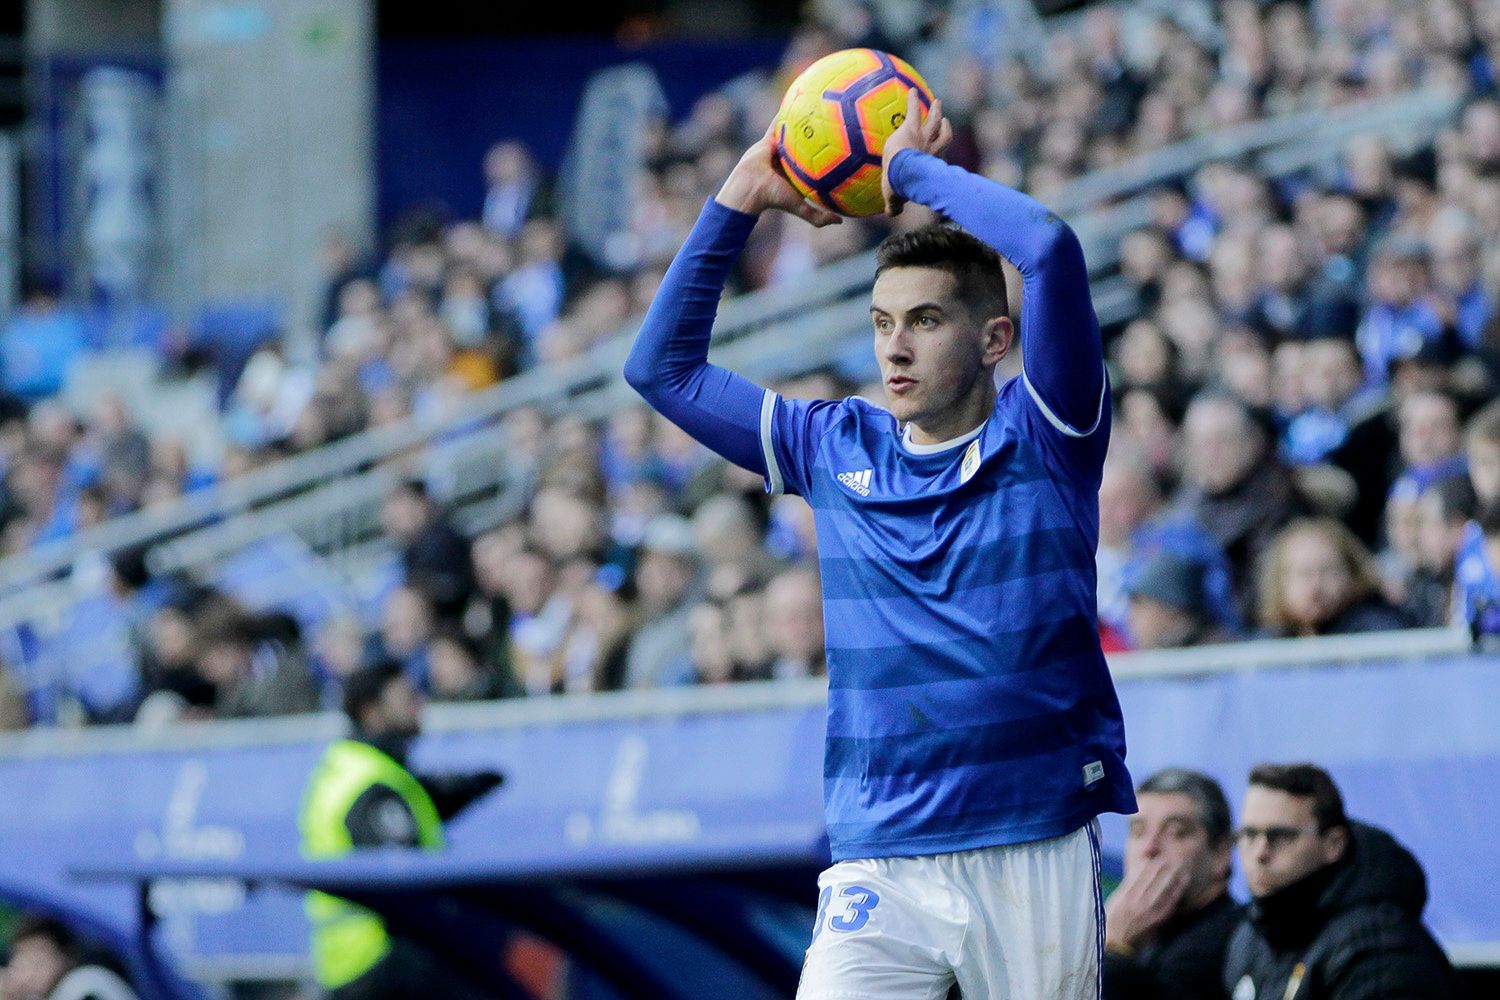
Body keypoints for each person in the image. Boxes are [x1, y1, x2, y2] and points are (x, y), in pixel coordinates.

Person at [625, 89, 1134, 999]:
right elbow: (660, 368)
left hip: (1031, 836)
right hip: (880, 852)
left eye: (926, 321)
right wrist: (742, 193)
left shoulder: (1049, 432)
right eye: (881, 323)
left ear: (995, 338)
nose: (894, 348)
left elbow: (1049, 247)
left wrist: (913, 173)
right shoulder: (833, 445)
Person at [299, 661, 504, 1000]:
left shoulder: (356, 765)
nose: (419, 704)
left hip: (354, 961)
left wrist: (473, 786)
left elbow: (425, 799)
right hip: (378, 957)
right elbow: (403, 876)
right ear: (372, 713)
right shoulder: (371, 785)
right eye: (406, 698)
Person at [1223, 763, 1461, 999]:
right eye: (1249, 834)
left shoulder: (1377, 946)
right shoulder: (1251, 936)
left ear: (1333, 844)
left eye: (1281, 836)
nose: (1260, 853)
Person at [1103, 769, 1241, 1000]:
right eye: (1138, 832)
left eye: (1175, 832)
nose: (1149, 848)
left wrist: (1114, 947)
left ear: (1221, 852)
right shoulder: (1147, 939)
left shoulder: (1236, 942)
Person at [0, 914, 137, 1000]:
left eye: (38, 961)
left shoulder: (83, 984)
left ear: (66, 956)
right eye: (22, 963)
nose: (29, 974)